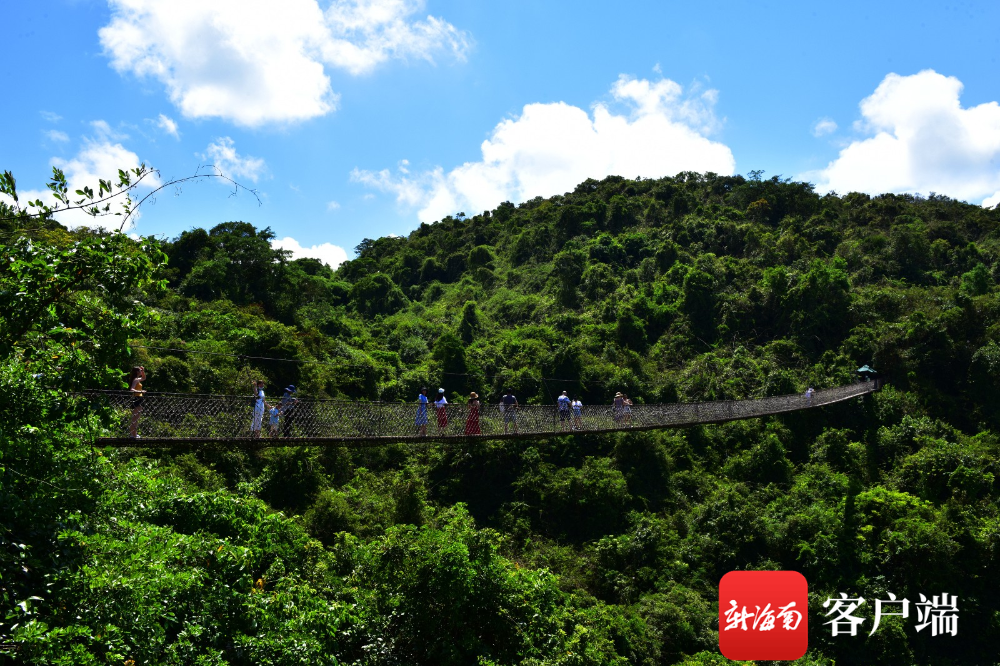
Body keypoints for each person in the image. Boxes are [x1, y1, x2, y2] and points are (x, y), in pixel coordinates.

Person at [127, 365, 146, 438]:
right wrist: (141, 391)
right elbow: (132, 390)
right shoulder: (135, 380)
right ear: (137, 372)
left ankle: (134, 434)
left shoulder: (137, 379)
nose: (141, 372)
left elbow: (144, 378)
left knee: (136, 418)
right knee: (135, 418)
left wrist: (143, 371)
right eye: (140, 371)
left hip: (139, 398)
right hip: (137, 398)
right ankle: (133, 435)